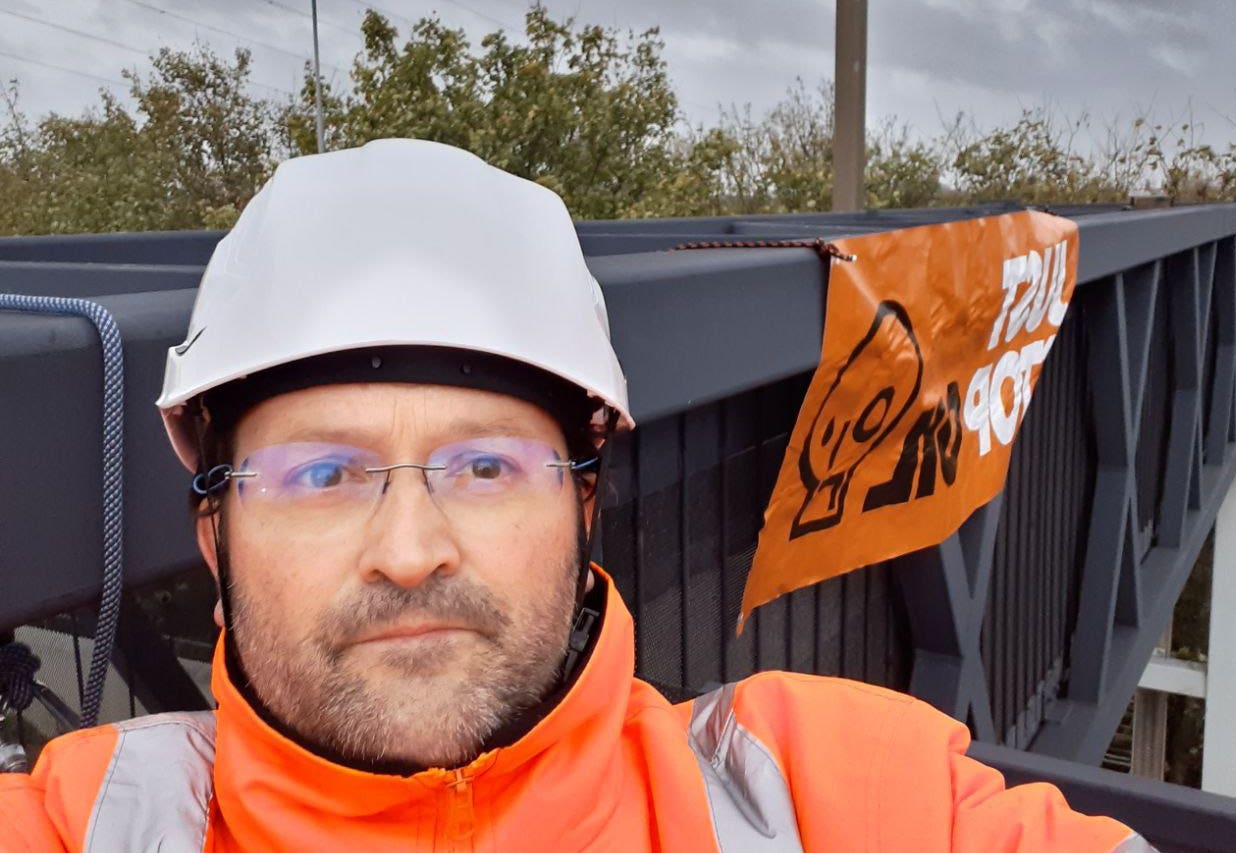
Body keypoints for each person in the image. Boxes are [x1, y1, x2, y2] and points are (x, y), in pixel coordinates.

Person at [0, 139, 1153, 851]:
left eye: (486, 464)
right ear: (215, 525)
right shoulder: (80, 822)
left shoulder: (836, 795)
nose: (410, 549)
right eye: (324, 472)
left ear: (584, 502)